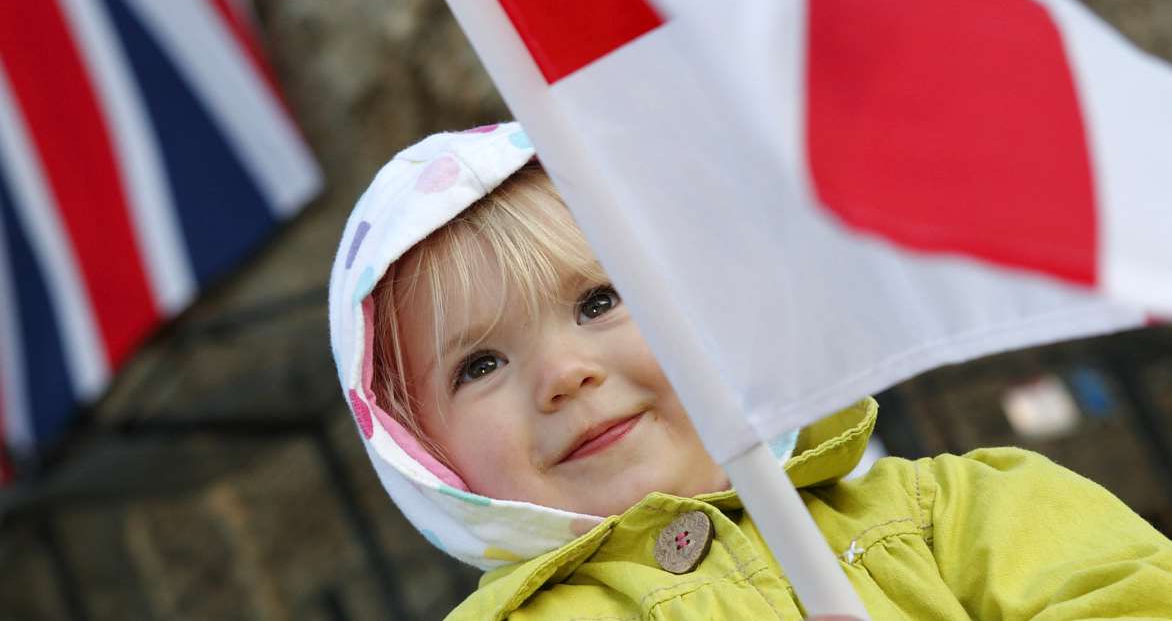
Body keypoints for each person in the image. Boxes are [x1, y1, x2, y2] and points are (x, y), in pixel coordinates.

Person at [328, 122, 1172, 620]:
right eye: (478, 364)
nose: (562, 373)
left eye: (598, 302)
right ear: (417, 445)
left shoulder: (957, 510)